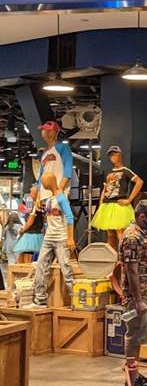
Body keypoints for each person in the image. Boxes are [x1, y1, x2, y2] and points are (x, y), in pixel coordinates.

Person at [119, 199, 147, 386]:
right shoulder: (132, 237)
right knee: (134, 337)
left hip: (145, 293)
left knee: (140, 337)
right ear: (142, 216)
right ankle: (129, 383)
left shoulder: (142, 234)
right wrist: (139, 300)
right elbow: (131, 270)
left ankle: (134, 375)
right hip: (137, 297)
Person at [26, 172, 76, 308]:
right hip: (49, 237)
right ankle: (40, 299)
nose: (43, 184)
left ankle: (76, 300)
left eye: (44, 181)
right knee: (41, 266)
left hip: (61, 238)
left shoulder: (61, 198)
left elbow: (70, 217)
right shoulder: (50, 199)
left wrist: (70, 238)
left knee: (66, 269)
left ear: (50, 181)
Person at [91, 145, 143, 248]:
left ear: (120, 154)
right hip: (107, 205)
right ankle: (112, 256)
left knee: (120, 233)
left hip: (118, 204)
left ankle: (123, 255)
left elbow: (139, 182)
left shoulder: (125, 170)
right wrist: (101, 203)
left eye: (115, 154)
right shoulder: (110, 172)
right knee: (110, 234)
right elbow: (105, 187)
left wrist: (129, 199)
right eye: (111, 155)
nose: (113, 157)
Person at [36, 121, 73, 198]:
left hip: (57, 192)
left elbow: (68, 169)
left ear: (55, 132)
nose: (44, 132)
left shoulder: (63, 148)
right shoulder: (44, 152)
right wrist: (38, 193)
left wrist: (61, 188)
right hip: (44, 194)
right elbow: (41, 174)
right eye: (43, 130)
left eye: (48, 130)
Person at [14, 188, 45, 263]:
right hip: (38, 234)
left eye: (31, 192)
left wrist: (22, 230)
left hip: (30, 236)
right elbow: (44, 220)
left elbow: (30, 222)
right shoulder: (42, 206)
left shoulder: (35, 207)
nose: (30, 194)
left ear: (36, 194)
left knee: (26, 259)